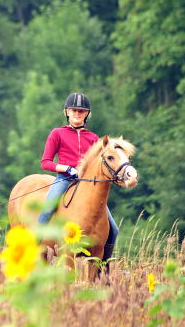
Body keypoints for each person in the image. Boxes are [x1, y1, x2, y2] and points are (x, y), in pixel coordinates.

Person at [38, 92, 119, 262]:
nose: (77, 113)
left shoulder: (93, 139)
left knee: (114, 229)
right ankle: (32, 249)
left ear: (86, 114)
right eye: (73, 110)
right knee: (46, 211)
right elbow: (45, 162)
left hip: (88, 184)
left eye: (81, 111)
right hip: (64, 179)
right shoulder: (57, 133)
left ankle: (104, 268)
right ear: (67, 112)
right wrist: (66, 168)